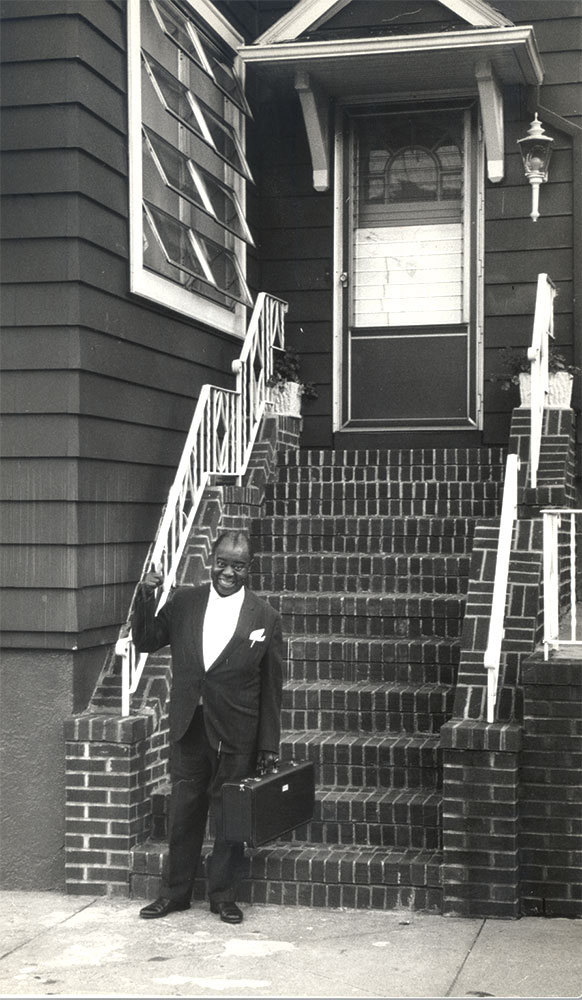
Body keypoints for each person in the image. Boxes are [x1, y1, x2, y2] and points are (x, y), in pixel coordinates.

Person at [133, 529, 283, 924]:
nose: (228, 572)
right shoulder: (184, 602)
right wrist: (146, 597)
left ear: (249, 567)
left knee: (230, 815)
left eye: (237, 565)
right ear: (210, 561)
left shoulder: (265, 617)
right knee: (184, 810)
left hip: (237, 731)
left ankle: (223, 897)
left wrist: (268, 744)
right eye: (222, 563)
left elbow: (271, 689)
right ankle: (175, 893)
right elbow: (147, 639)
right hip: (190, 725)